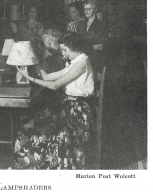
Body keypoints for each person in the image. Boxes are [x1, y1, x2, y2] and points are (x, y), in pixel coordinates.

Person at [14, 32, 96, 169]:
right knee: (31, 125)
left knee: (47, 133)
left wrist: (29, 78)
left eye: (65, 50)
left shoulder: (81, 63)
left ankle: (41, 167)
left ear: (73, 47)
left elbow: (55, 85)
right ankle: (31, 166)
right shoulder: (75, 61)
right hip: (69, 107)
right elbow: (47, 77)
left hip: (78, 112)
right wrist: (33, 60)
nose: (63, 53)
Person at [80, 0, 109, 72]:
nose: (86, 12)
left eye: (89, 9)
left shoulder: (102, 26)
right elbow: (76, 44)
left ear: (95, 9)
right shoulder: (80, 25)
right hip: (80, 60)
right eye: (85, 9)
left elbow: (100, 46)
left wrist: (83, 47)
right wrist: (92, 47)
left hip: (94, 61)